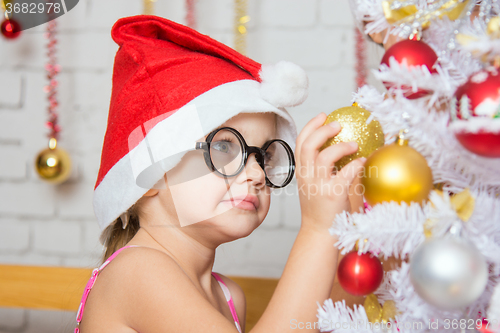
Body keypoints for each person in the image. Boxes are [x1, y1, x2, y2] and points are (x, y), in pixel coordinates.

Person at [75, 14, 365, 333]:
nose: (256, 173)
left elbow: (328, 321)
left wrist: (348, 229)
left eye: (264, 156)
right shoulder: (138, 270)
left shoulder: (228, 295)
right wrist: (317, 229)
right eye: (224, 147)